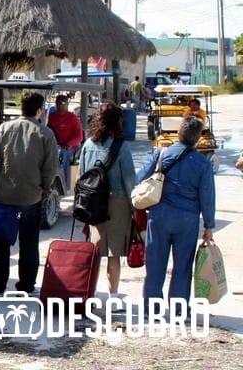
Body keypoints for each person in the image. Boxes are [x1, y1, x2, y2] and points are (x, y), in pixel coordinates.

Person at [136, 116, 215, 314]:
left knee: (155, 264)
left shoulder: (161, 154)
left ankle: (151, 307)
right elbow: (207, 196)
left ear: (179, 133)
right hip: (187, 221)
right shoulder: (203, 164)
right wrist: (209, 225)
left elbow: (139, 178)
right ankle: (179, 308)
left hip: (159, 216)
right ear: (198, 138)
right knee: (183, 266)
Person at [0, 92, 58, 295]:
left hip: (4, 197)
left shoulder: (4, 129)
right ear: (40, 110)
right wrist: (44, 189)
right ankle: (26, 286)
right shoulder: (45, 134)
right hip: (31, 197)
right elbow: (50, 168)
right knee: (29, 243)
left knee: (1, 243)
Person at [78, 102, 136, 304]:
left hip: (93, 202)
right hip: (117, 202)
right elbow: (130, 181)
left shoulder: (88, 145)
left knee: (95, 251)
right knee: (114, 253)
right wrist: (135, 208)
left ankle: (89, 293)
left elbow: (82, 177)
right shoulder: (122, 147)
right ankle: (113, 297)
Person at [46, 94, 83, 192]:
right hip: (54, 144)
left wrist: (68, 144)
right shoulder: (50, 116)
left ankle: (64, 184)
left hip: (70, 146)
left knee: (63, 154)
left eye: (62, 103)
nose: (60, 106)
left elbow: (79, 137)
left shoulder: (73, 118)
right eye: (58, 103)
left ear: (67, 104)